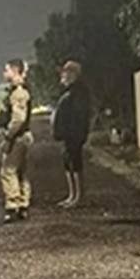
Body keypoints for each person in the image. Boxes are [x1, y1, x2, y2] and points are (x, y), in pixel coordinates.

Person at [0, 58, 33, 225]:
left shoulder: (18, 91)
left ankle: (12, 207)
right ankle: (23, 205)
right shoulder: (20, 89)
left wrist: (8, 137)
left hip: (17, 137)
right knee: (21, 172)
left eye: (7, 70)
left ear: (15, 71)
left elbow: (18, 119)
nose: (4, 73)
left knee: (8, 171)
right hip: (23, 136)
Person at [52, 60, 92, 208]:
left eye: (66, 72)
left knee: (75, 163)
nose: (63, 75)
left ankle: (79, 197)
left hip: (74, 134)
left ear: (73, 74)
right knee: (68, 163)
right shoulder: (70, 91)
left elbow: (79, 115)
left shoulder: (79, 91)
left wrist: (75, 132)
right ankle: (72, 195)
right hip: (67, 134)